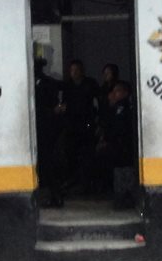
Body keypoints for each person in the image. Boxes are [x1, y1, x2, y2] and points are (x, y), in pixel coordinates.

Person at [56, 59, 100, 194]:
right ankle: (72, 180)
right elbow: (64, 104)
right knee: (69, 153)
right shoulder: (68, 85)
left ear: (82, 71)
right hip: (71, 125)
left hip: (86, 124)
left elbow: (93, 104)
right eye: (71, 71)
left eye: (76, 70)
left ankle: (87, 183)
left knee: (87, 154)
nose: (73, 73)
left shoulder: (90, 84)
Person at [93, 79, 136, 202]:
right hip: (119, 145)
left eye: (118, 91)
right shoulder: (117, 107)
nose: (114, 94)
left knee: (123, 169)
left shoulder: (123, 107)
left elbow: (118, 127)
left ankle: (124, 196)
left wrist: (107, 140)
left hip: (122, 145)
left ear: (125, 93)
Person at [33, 57, 64, 207]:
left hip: (42, 127)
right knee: (48, 163)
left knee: (46, 164)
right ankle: (53, 196)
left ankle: (52, 196)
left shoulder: (39, 83)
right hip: (48, 127)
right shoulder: (49, 82)